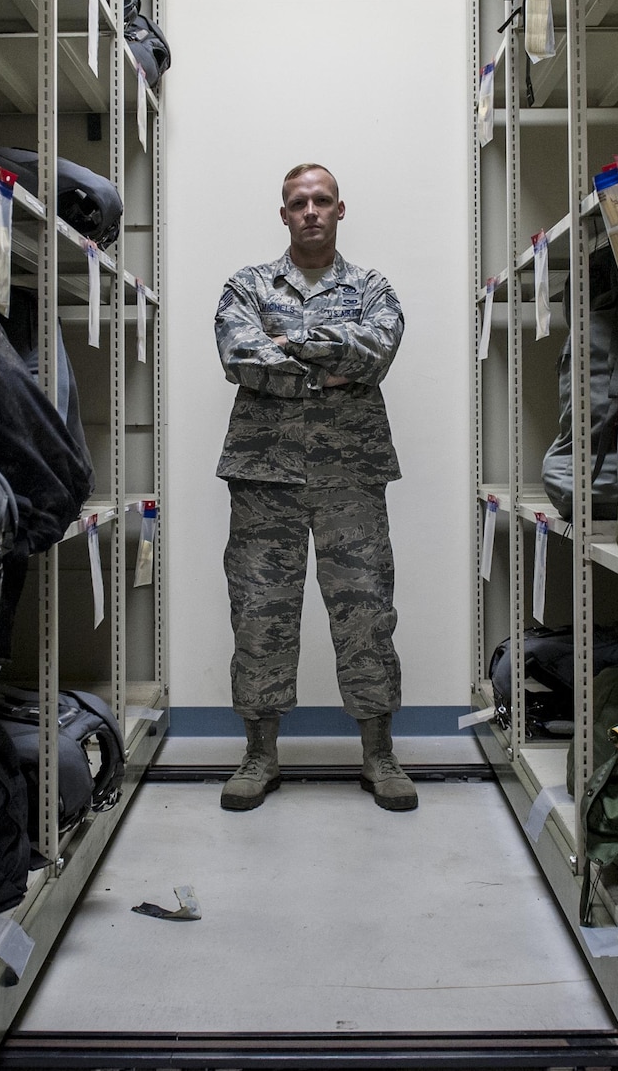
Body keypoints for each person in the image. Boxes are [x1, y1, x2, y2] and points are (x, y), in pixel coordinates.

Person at [212, 163, 414, 812]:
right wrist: (330, 367)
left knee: (366, 613)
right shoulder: (245, 285)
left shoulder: (372, 287)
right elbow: (238, 354)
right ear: (283, 214)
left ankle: (379, 754)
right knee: (259, 612)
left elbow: (377, 349)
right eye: (298, 202)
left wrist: (289, 346)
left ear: (341, 208)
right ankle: (258, 754)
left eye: (321, 200)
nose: (310, 211)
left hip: (350, 475)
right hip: (262, 476)